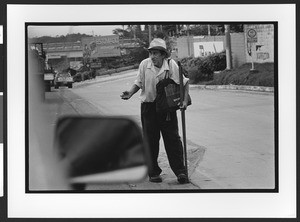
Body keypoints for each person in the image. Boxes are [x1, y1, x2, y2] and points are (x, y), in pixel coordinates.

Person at [121, 38, 190, 184]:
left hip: (167, 109)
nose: (152, 56)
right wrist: (130, 93)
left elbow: (184, 83)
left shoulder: (171, 65)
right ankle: (153, 173)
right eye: (151, 53)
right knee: (150, 141)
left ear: (163, 54)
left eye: (156, 53)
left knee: (172, 140)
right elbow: (138, 82)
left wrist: (184, 102)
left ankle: (180, 172)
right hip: (149, 107)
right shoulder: (144, 64)